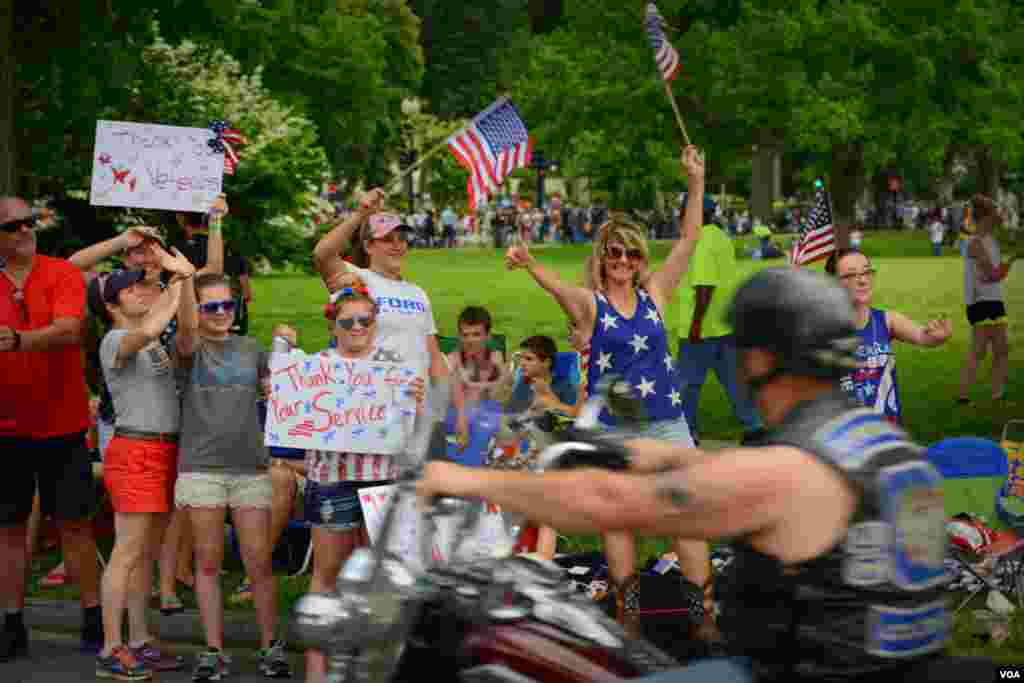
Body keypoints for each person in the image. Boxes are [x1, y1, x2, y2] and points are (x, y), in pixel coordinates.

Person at [417, 266, 997, 683]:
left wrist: (465, 480)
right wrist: (646, 452)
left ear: (762, 358)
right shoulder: (881, 443)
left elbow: (610, 504)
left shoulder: (786, 472)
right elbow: (739, 471)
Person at [504, 145, 711, 639]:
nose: (622, 259)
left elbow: (689, 237)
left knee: (688, 519)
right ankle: (629, 619)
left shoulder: (655, 295)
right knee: (619, 527)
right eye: (613, 252)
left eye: (631, 252)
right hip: (614, 429)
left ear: (641, 260)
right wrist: (531, 264)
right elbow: (559, 289)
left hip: (665, 421)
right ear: (603, 257)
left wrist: (696, 180)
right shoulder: (592, 306)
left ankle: (704, 619)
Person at [302, 281, 425, 683]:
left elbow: (413, 429)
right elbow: (296, 420)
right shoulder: (314, 365)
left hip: (382, 481)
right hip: (332, 481)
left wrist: (418, 401)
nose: (357, 327)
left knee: (382, 581)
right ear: (333, 325)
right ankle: (318, 676)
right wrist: (285, 394)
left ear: (375, 322)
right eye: (348, 321)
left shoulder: (396, 365)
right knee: (327, 576)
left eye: (365, 320)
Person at [173, 272, 291, 681]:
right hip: (202, 468)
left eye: (229, 304)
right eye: (211, 306)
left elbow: (277, 393)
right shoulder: (187, 348)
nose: (222, 312)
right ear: (197, 311)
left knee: (258, 561)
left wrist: (284, 367)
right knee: (208, 562)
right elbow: (186, 329)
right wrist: (186, 281)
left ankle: (270, 645)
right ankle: (213, 649)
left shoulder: (251, 347)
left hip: (249, 468)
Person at [0, 197, 103, 660]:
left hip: (63, 424)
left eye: (30, 221)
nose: (25, 230)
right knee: (8, 530)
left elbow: (69, 330)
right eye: (13, 225)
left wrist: (19, 340)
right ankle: (11, 623)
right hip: (6, 428)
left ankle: (94, 618)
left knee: (75, 525)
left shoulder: (60, 272)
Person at [97, 253, 195, 680]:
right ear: (111, 303)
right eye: (132, 286)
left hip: (162, 450)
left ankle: (138, 639)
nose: (143, 289)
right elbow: (155, 323)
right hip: (137, 450)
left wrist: (184, 283)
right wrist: (177, 282)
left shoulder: (150, 338)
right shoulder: (115, 339)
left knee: (146, 553)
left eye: (145, 285)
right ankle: (110, 647)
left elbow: (182, 329)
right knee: (127, 552)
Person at [312, 189, 448, 388]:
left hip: (414, 402)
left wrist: (442, 404)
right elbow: (323, 254)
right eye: (387, 239)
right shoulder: (356, 279)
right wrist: (360, 215)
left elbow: (433, 356)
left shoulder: (417, 293)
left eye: (401, 238)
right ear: (368, 246)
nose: (397, 245)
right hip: (369, 400)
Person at [824, 248, 952, 423]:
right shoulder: (822, 330)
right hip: (844, 438)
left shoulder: (886, 320)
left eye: (866, 272)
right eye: (850, 275)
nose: (862, 280)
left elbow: (923, 337)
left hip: (886, 435)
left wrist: (936, 336)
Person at [675, 211, 764, 445]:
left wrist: (696, 324)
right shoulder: (720, 236)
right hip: (725, 324)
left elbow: (705, 286)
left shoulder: (700, 240)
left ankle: (686, 433)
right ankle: (755, 427)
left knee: (687, 385)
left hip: (701, 331)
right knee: (735, 382)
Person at [958, 194, 1014, 404]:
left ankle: (997, 394)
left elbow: (995, 275)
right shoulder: (975, 244)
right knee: (980, 349)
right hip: (980, 302)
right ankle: (963, 395)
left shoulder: (992, 241)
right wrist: (1015, 258)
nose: (998, 218)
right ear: (985, 218)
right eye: (994, 214)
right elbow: (993, 274)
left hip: (994, 300)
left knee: (1001, 349)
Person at [448, 305, 508, 463]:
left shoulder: (495, 357)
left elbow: (500, 395)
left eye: (476, 334)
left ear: (488, 336)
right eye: (465, 335)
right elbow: (450, 398)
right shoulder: (453, 359)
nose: (470, 340)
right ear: (459, 336)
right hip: (457, 416)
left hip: (489, 415)